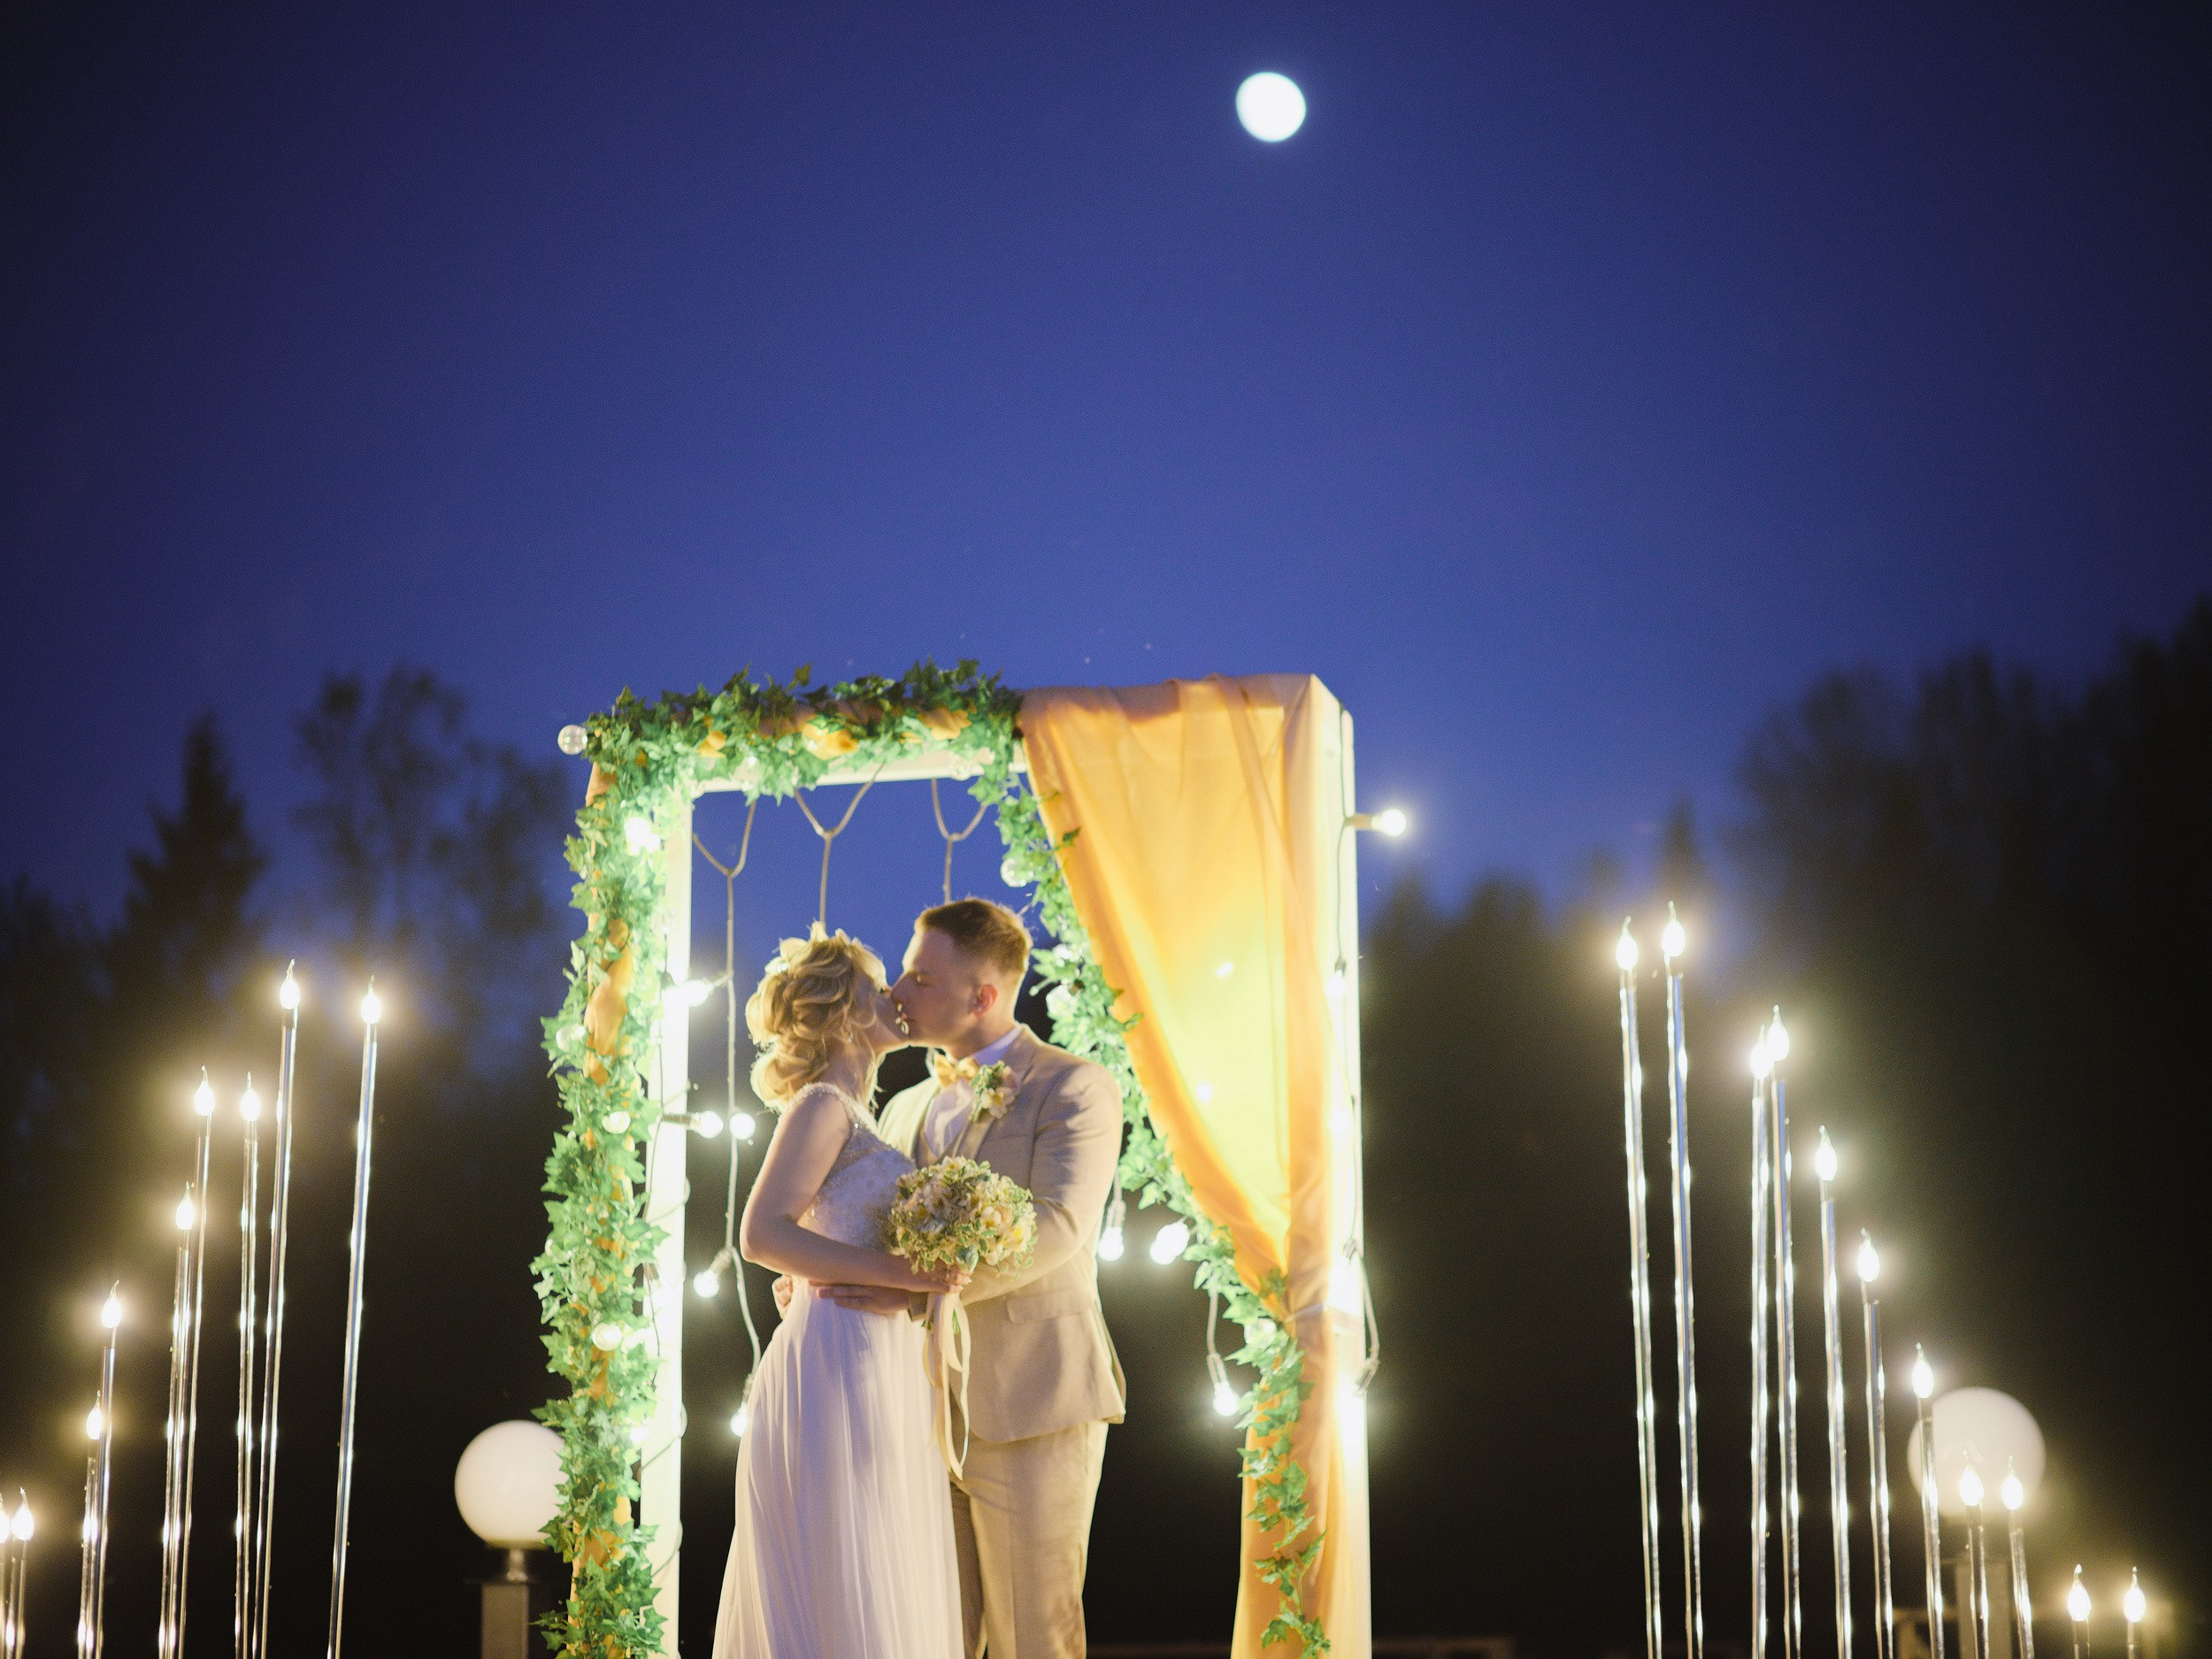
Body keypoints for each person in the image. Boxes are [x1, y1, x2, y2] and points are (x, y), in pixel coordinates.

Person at [810, 897, 1125, 1659]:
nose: (900, 993)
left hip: (1031, 1402)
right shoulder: (908, 1102)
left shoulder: (1073, 1087)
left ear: (982, 996)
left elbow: (1057, 1226)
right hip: (914, 1412)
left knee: (1033, 1635)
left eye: (921, 978)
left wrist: (919, 1293)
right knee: (925, 1634)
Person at [711, 927, 970, 1659]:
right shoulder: (821, 1105)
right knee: (840, 1563)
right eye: (876, 983)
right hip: (835, 1355)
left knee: (874, 1558)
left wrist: (913, 1279)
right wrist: (908, 1276)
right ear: (842, 1009)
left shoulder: (864, 1119)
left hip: (876, 1353)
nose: (892, 996)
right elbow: (760, 1234)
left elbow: (820, 1235)